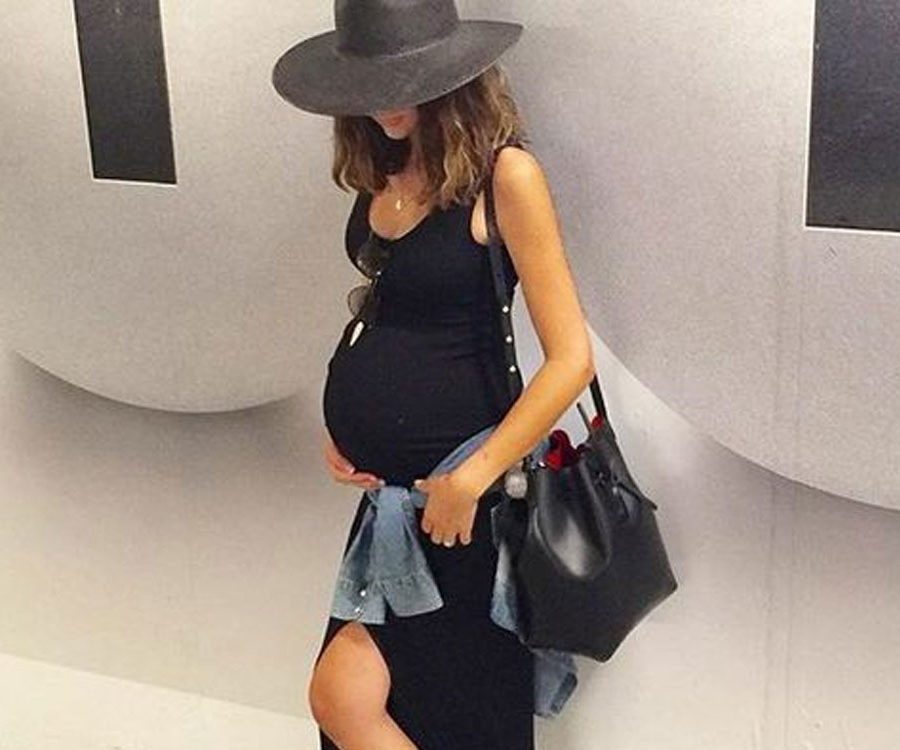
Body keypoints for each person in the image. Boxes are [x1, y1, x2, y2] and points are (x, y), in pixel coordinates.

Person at [271, 2, 594, 747]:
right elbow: (394, 316)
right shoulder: (383, 170)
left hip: (460, 503)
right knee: (357, 699)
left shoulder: (505, 176)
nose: (384, 103)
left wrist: (471, 479)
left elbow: (571, 359)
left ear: (452, 76)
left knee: (385, 704)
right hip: (389, 502)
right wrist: (347, 426)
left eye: (404, 81)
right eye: (368, 85)